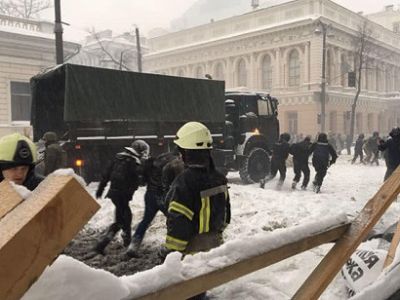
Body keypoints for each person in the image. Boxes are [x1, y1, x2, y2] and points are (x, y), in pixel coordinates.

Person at [160, 122, 231, 296]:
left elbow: (179, 223)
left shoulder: (183, 183)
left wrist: (170, 252)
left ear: (186, 152)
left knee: (189, 294)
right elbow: (226, 216)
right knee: (202, 290)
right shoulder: (219, 178)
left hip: (191, 252)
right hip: (214, 245)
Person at [94, 139, 149, 255]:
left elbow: (106, 174)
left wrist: (101, 189)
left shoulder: (118, 158)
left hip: (115, 193)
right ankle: (103, 244)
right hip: (123, 195)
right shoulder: (133, 162)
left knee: (125, 217)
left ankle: (125, 242)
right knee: (121, 220)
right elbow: (141, 181)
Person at [126, 150, 184, 257]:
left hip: (150, 194)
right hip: (163, 196)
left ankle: (133, 246)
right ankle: (171, 247)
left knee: (146, 220)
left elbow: (145, 178)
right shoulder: (175, 162)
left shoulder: (158, 158)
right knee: (173, 220)